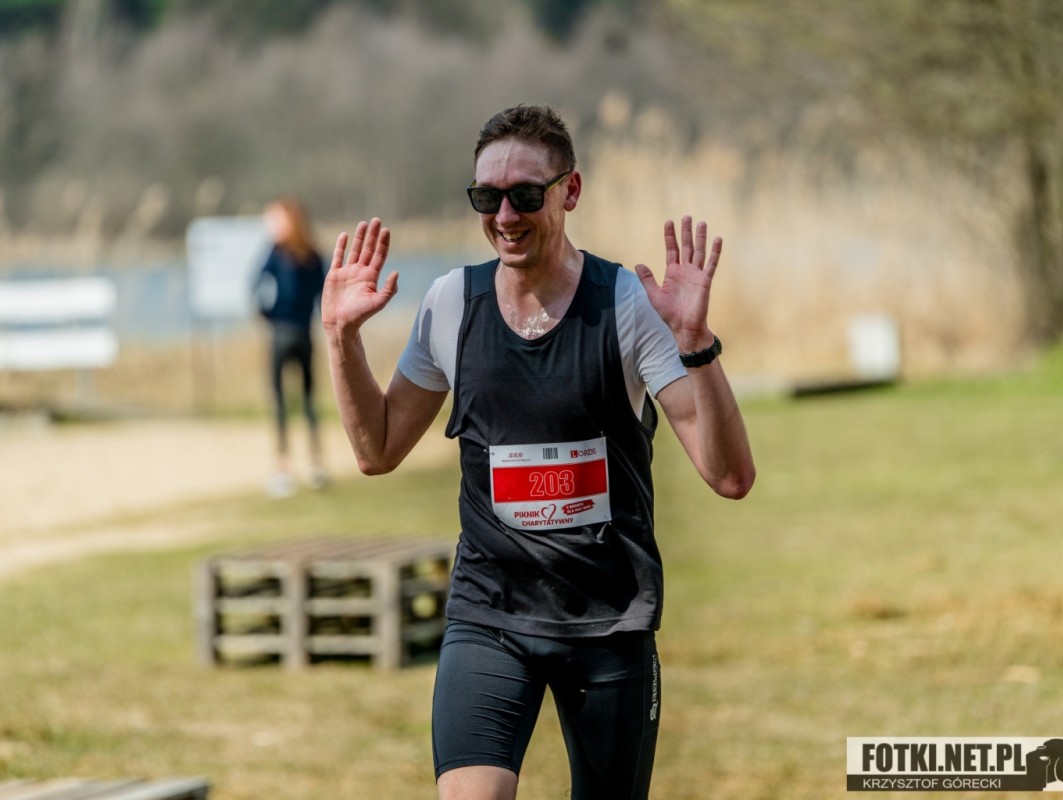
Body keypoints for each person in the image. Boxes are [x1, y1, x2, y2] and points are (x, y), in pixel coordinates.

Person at [322, 105, 756, 799]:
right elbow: (376, 449)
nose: (505, 216)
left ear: (569, 191)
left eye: (525, 195)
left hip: (608, 620)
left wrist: (696, 345)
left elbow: (729, 475)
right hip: (490, 614)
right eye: (486, 197)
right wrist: (342, 339)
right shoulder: (451, 305)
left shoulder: (625, 305)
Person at [254, 197, 328, 496]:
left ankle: (283, 468)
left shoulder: (277, 253)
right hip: (305, 332)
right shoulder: (313, 254)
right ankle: (316, 465)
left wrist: (269, 315)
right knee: (308, 399)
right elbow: (324, 295)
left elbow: (256, 285)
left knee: (281, 401)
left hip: (282, 332)